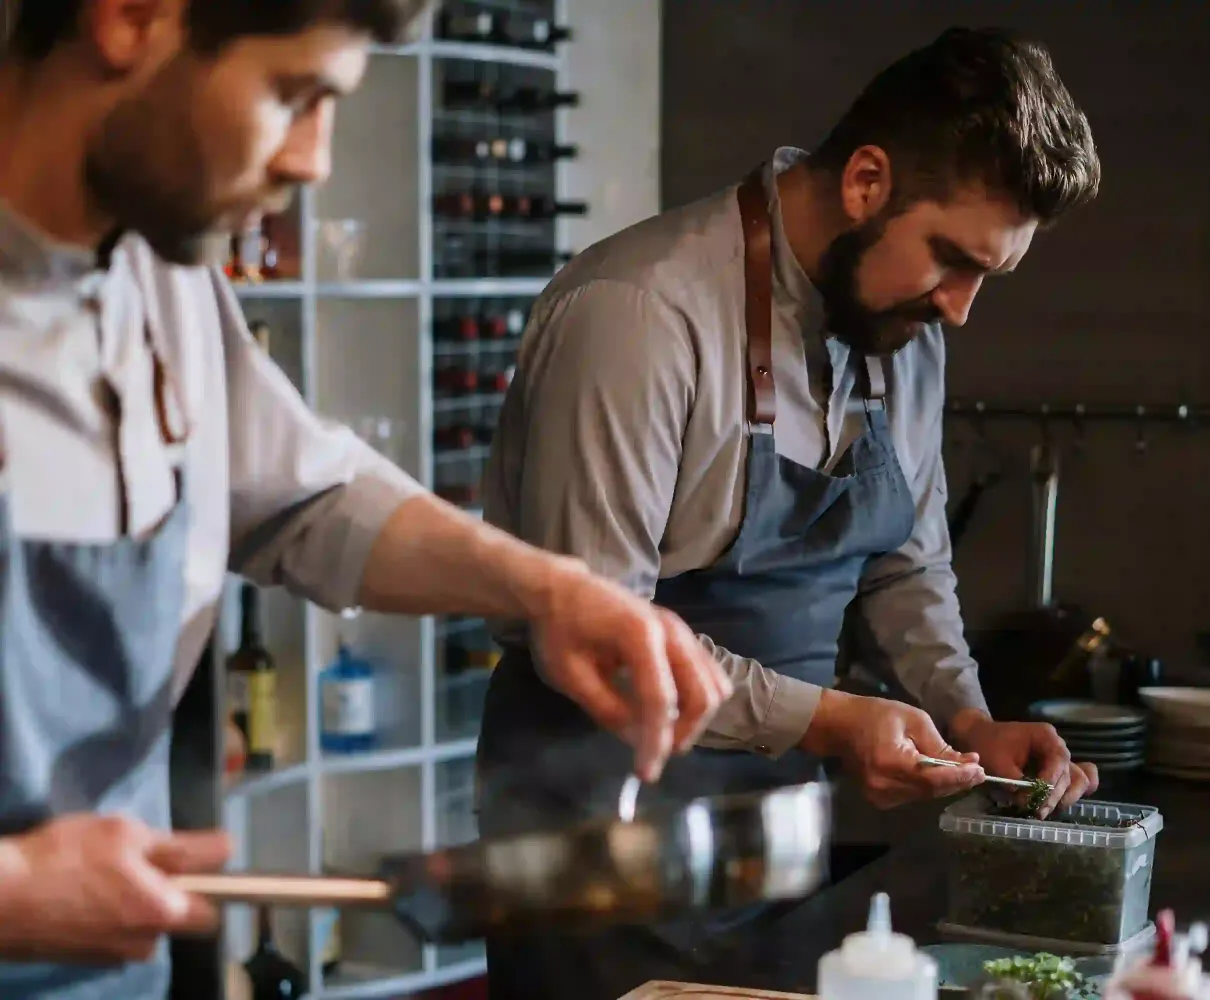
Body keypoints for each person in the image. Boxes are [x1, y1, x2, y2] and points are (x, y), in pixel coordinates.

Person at [0, 0, 732, 995]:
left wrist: (549, 589)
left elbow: (302, 495)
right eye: (291, 94)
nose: (313, 161)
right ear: (131, 16)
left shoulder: (158, 275)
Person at [477, 25, 1105, 1000]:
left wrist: (966, 713)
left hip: (771, 816)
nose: (961, 308)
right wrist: (828, 722)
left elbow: (907, 562)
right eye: (951, 260)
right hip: (591, 821)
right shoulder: (637, 314)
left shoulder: (903, 323)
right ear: (865, 182)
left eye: (988, 274)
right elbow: (598, 642)